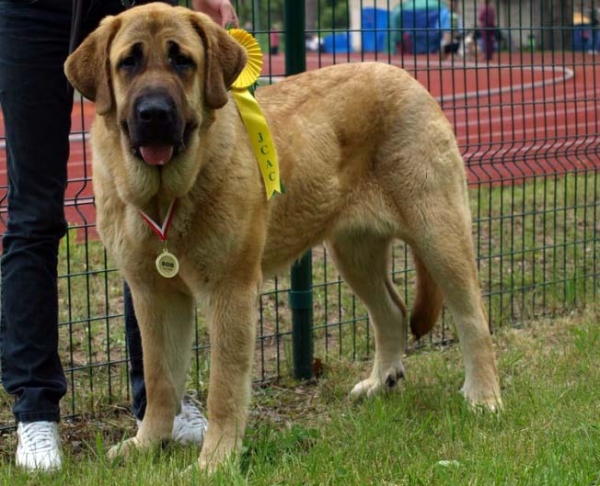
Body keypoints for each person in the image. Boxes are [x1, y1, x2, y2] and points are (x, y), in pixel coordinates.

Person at [0, 0, 237, 473]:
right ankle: (36, 412)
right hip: (31, 9)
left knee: (156, 212)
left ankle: (158, 406)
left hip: (124, 2)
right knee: (33, 214)